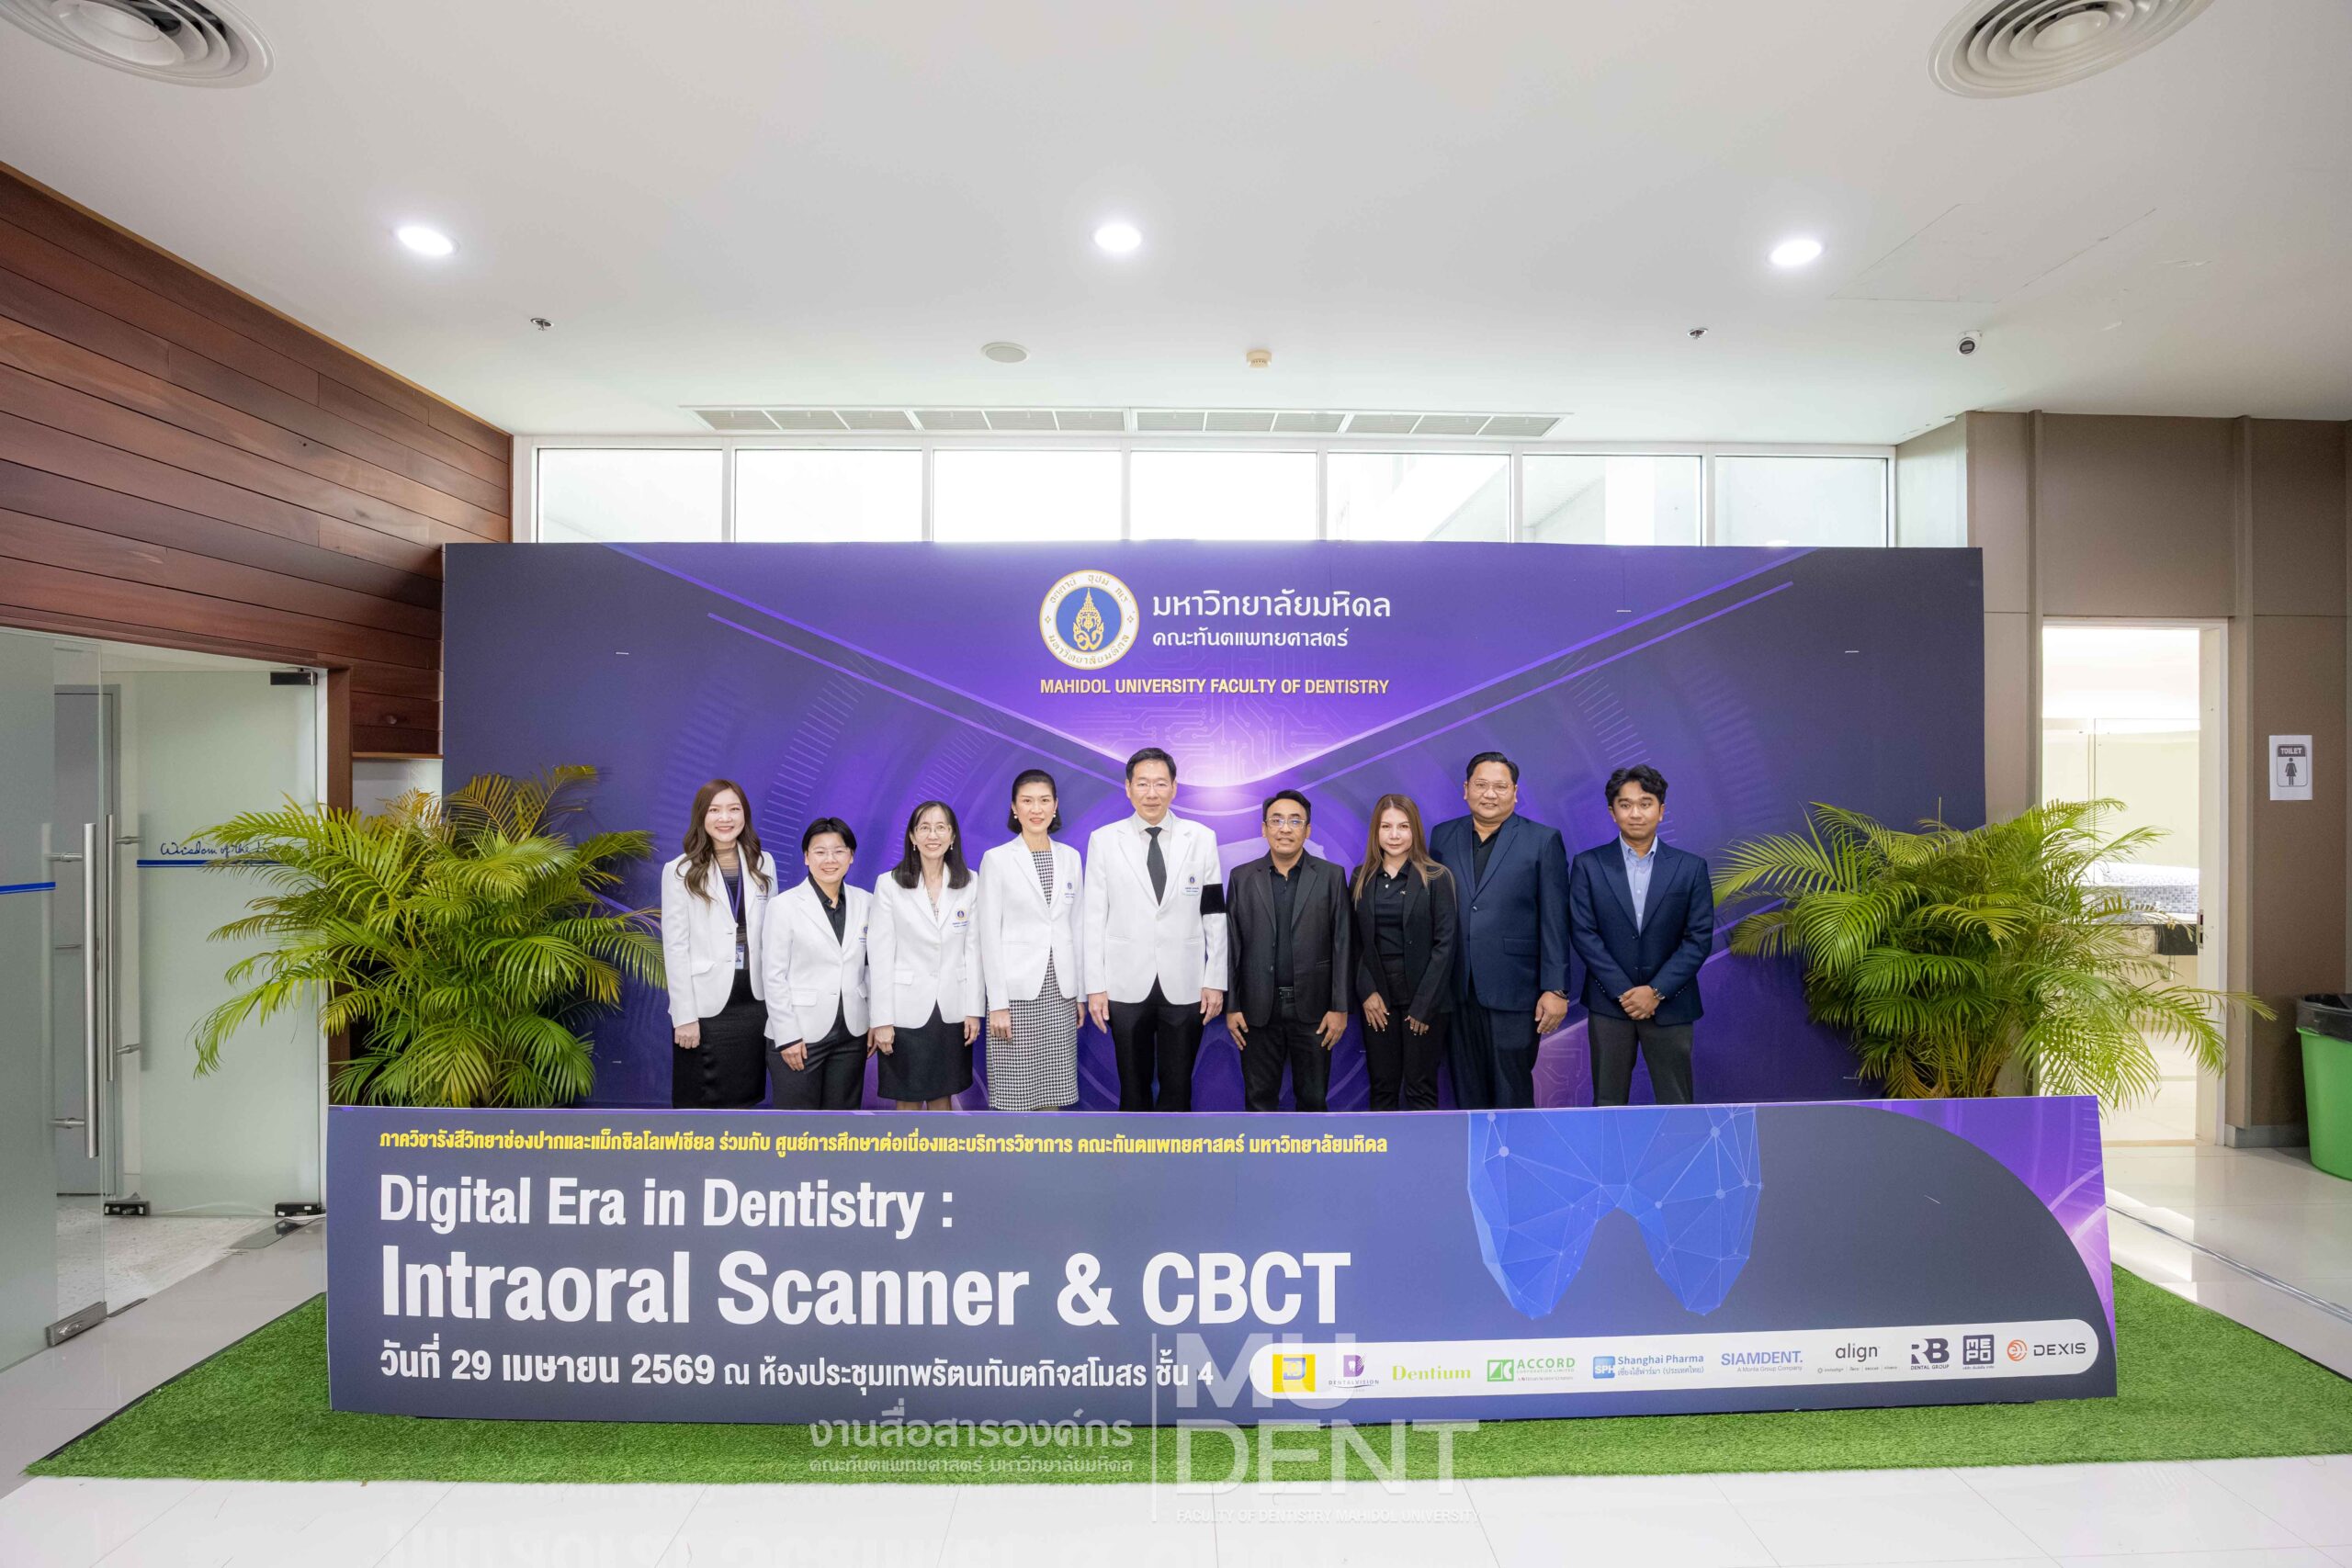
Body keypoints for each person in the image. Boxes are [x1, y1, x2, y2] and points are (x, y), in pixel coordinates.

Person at [1084, 747, 1227, 1111]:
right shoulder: (1104, 840)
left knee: (1178, 1088)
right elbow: (1093, 917)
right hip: (1124, 982)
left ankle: (1175, 1148)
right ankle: (1135, 1149)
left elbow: (1214, 913)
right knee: (1133, 1088)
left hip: (1186, 981)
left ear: (1174, 788)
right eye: (1143, 783)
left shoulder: (1201, 838)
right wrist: (1095, 986)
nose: (1152, 793)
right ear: (1128, 787)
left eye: (1161, 784)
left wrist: (1215, 979)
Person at [1430, 751, 1570, 1110]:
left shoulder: (1542, 840)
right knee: (1466, 1092)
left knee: (1512, 1090)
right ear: (1466, 789)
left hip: (1516, 990)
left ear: (1515, 792)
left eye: (1499, 786)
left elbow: (1555, 919)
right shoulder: (1443, 836)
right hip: (1456, 989)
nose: (1489, 794)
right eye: (1481, 785)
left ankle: (1515, 1148)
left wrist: (1555, 988)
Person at [1568, 764, 1714, 1106]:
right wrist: (1624, 992)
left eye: (1645, 804)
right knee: (1608, 1104)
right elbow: (1583, 932)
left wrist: (1656, 990)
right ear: (1612, 812)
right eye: (1626, 804)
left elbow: (1698, 939)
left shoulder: (1690, 867)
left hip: (1672, 1004)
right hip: (1609, 1004)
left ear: (1661, 810)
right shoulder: (1589, 865)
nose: (1635, 813)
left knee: (1677, 1103)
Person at [1225, 789, 1352, 1112]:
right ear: (1264, 828)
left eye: (1295, 821)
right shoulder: (1242, 877)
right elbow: (1232, 946)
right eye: (1277, 820)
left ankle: (1312, 1150)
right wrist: (1232, 1006)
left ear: (1307, 830)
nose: (1285, 829)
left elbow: (1342, 944)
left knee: (1313, 1101)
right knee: (1258, 1101)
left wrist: (1339, 1007)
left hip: (1314, 1011)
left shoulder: (1331, 876)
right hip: (1256, 1011)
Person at [659, 779, 777, 1110]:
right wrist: (683, 1016)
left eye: (733, 809)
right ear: (702, 816)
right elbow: (675, 947)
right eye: (715, 810)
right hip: (705, 1006)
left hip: (753, 1001)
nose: (725, 818)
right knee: (699, 1100)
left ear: (745, 815)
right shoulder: (679, 870)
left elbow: (774, 934)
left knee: (745, 1098)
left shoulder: (763, 863)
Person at [977, 769, 1085, 1111]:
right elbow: (988, 935)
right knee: (1016, 1094)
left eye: (1044, 800)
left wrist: (1080, 993)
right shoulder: (997, 859)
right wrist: (997, 1003)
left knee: (1054, 1091)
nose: (1036, 809)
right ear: (1014, 808)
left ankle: (1049, 1148)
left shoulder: (1071, 857)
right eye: (1027, 801)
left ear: (1055, 806)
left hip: (1061, 993)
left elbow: (1076, 927)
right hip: (1016, 995)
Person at [868, 801, 984, 1111]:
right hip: (904, 1010)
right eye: (925, 828)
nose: (933, 835)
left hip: (952, 1009)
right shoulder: (889, 884)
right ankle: (905, 1149)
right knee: (907, 1098)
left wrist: (973, 1010)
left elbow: (974, 951)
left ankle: (941, 1147)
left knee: (943, 1097)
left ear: (953, 836)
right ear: (912, 836)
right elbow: (880, 956)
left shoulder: (971, 883)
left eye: (941, 828)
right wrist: (881, 1020)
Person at [1349, 794, 1458, 1111]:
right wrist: (1367, 991)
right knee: (1382, 1087)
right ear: (1376, 831)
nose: (1394, 835)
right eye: (1386, 827)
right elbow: (1354, 942)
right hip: (1378, 999)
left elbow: (1445, 945)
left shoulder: (1437, 877)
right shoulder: (1360, 878)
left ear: (1415, 831)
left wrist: (1424, 1005)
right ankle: (1383, 1146)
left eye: (1403, 826)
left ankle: (1421, 1147)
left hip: (1424, 999)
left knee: (1420, 1087)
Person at [763, 818, 872, 1111]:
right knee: (799, 1127)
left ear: (851, 856)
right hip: (800, 1034)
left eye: (838, 851)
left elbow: (871, 967)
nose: (829, 859)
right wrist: (787, 1036)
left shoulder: (867, 902)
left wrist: (874, 1019)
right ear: (806, 857)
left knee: (843, 1125)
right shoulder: (784, 906)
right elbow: (773, 975)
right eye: (820, 851)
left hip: (852, 1034)